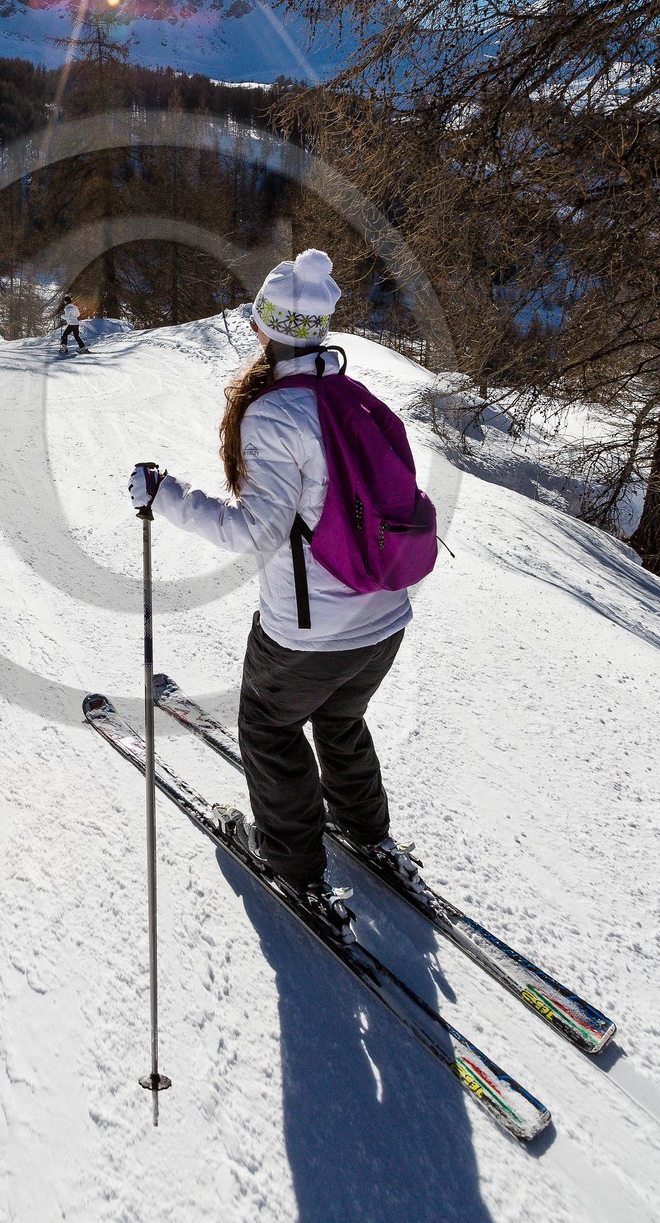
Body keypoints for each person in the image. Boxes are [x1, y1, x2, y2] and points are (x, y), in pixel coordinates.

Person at [128, 249, 418, 922]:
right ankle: (366, 831)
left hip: (308, 635)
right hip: (383, 623)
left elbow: (251, 534)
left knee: (267, 726)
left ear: (265, 328)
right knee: (340, 716)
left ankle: (295, 868)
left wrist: (162, 496)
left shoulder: (274, 415)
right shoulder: (355, 399)